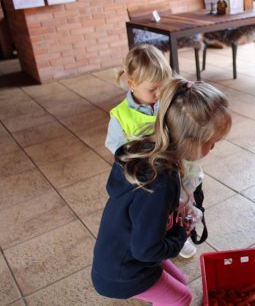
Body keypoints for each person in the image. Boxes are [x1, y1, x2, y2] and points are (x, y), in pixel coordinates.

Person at [92, 78, 232, 305]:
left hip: (122, 250)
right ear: (189, 140)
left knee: (181, 279)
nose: (213, 147)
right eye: (211, 142)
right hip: (123, 270)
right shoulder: (159, 183)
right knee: (182, 298)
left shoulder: (150, 147)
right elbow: (146, 251)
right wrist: (181, 234)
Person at [104, 44, 197, 259]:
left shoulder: (164, 98)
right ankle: (159, 237)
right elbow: (118, 150)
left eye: (162, 88)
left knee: (182, 201)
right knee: (156, 212)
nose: (158, 94)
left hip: (174, 168)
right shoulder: (120, 115)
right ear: (132, 84)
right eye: (152, 89)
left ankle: (180, 236)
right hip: (148, 178)